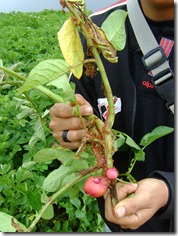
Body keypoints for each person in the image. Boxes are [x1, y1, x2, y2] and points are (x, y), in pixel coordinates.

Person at [49, 0, 174, 232]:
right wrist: (68, 131)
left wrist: (170, 191)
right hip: (116, 219)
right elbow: (74, 111)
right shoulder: (94, 31)